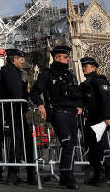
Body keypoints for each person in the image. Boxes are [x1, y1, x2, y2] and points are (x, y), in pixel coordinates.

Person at [30, 46, 83, 190]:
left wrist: (79, 106)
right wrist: (40, 105)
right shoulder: (47, 74)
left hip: (72, 113)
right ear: (57, 58)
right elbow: (35, 91)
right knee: (67, 142)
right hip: (58, 112)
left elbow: (77, 93)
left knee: (71, 144)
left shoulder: (69, 75)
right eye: (65, 57)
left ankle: (66, 174)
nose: (68, 59)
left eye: (68, 57)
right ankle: (67, 176)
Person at [0, 48, 36, 185]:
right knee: (17, 142)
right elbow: (16, 92)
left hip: (17, 110)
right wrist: (24, 100)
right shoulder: (10, 71)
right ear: (14, 59)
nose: (22, 61)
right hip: (15, 110)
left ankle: (29, 174)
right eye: (21, 59)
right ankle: (13, 175)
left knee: (24, 142)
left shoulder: (13, 71)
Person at [79, 57, 110, 186]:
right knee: (92, 148)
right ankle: (97, 175)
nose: (84, 68)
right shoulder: (86, 83)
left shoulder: (98, 81)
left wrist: (107, 117)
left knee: (102, 148)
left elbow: (105, 100)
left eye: (87, 66)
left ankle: (104, 175)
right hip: (91, 119)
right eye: (83, 66)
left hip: (99, 119)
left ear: (94, 67)